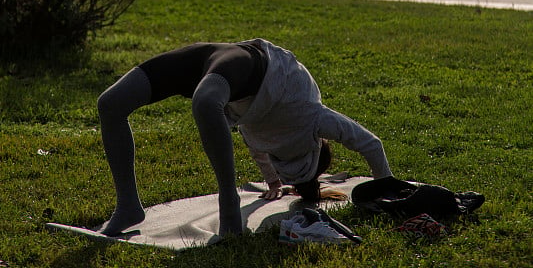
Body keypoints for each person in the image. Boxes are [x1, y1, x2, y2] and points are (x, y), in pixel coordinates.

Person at [97, 39, 392, 237]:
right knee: (110, 103)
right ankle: (128, 206)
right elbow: (371, 144)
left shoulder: (271, 142)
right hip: (245, 64)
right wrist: (387, 191)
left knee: (203, 103)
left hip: (223, 76)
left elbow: (258, 149)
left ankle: (229, 208)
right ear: (315, 148)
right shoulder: (313, 119)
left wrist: (274, 182)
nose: (276, 161)